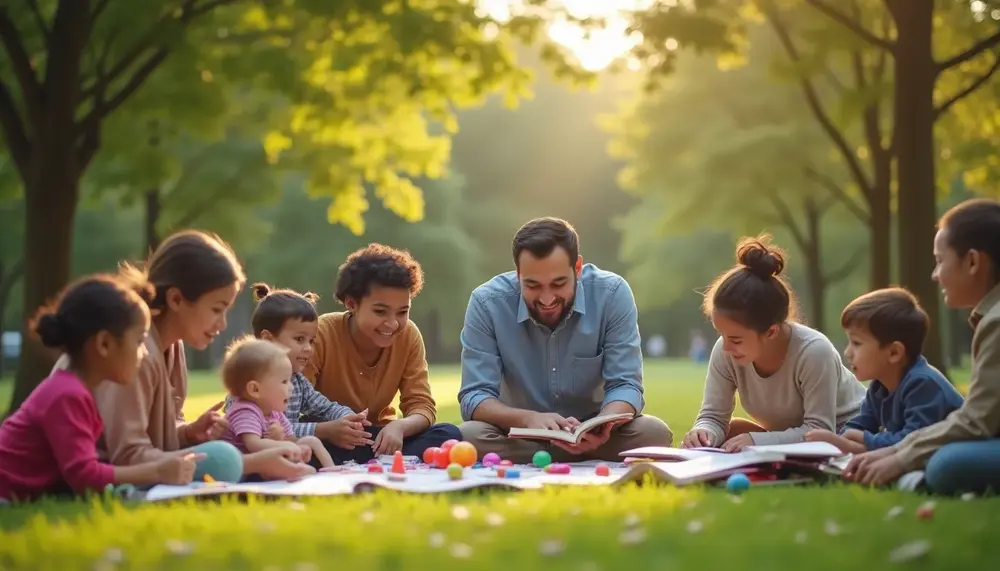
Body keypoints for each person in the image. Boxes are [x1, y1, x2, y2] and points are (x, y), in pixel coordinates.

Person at [54, 229, 313, 481]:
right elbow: (127, 455)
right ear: (176, 299)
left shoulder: (172, 346)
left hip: (133, 466)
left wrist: (189, 432)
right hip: (94, 473)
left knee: (223, 453)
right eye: (216, 309)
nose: (222, 324)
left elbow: (158, 436)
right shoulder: (132, 351)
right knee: (224, 455)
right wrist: (250, 463)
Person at [457, 217, 672, 464]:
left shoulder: (612, 294)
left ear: (577, 268)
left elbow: (626, 385)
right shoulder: (487, 303)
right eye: (533, 285)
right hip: (520, 431)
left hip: (595, 432)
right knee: (468, 436)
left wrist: (603, 426)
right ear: (518, 273)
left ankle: (554, 455)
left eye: (558, 283)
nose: (547, 299)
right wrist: (528, 419)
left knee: (653, 433)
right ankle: (570, 456)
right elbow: (475, 396)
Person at [0, 274, 202, 502]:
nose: (144, 353)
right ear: (104, 344)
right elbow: (85, 476)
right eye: (138, 342)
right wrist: (157, 471)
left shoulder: (75, 391)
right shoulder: (67, 395)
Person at [846, 198, 1000, 495]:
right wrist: (896, 452)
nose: (935, 274)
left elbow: (978, 421)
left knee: (948, 465)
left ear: (971, 262)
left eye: (940, 260)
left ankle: (917, 478)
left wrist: (902, 456)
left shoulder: (996, 322)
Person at [681, 236, 867, 452]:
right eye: (721, 335)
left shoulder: (814, 351)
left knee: (746, 438)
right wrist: (703, 433)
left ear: (771, 332)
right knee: (734, 430)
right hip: (794, 435)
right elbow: (713, 416)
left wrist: (757, 441)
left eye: (736, 339)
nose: (726, 348)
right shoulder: (726, 352)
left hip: (846, 432)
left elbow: (819, 430)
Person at [303, 243, 461, 464]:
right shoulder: (321, 333)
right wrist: (329, 430)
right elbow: (294, 404)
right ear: (352, 304)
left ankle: (376, 461)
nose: (392, 323)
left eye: (402, 312)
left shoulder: (408, 335)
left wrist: (400, 426)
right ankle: (380, 463)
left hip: (382, 439)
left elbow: (421, 405)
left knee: (448, 434)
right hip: (330, 438)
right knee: (302, 451)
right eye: (380, 311)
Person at [224, 284, 372, 464]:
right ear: (268, 340)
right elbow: (259, 436)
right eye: (299, 339)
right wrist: (323, 429)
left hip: (285, 448)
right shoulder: (247, 387)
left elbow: (324, 407)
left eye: (311, 341)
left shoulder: (298, 381)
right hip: (252, 457)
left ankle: (332, 470)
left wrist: (349, 418)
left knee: (329, 444)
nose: (309, 349)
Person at [807, 288, 964, 454]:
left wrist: (862, 440)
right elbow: (861, 423)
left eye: (857, 343)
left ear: (894, 352)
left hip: (954, 455)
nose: (847, 353)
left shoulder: (922, 384)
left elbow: (911, 440)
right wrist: (840, 438)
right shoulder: (879, 386)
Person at [219, 336, 334, 468]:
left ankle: (331, 470)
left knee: (311, 440)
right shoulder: (245, 411)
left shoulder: (274, 413)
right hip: (242, 466)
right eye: (284, 382)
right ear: (255, 389)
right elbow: (253, 445)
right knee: (303, 470)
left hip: (263, 460)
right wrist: (286, 445)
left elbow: (291, 439)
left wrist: (298, 446)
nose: (291, 387)